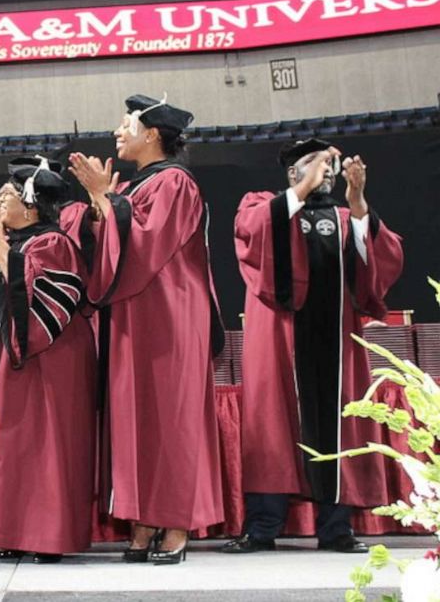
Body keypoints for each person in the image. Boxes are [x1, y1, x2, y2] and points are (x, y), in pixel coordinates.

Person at [222, 138, 404, 554]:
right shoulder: (264, 205)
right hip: (280, 342)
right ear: (292, 173)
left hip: (335, 344)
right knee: (273, 427)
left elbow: (381, 259)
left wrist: (358, 202)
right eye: (314, 164)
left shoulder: (345, 218)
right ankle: (262, 527)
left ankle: (336, 528)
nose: (326, 171)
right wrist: (301, 190)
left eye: (329, 165)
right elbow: (250, 234)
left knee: (337, 423)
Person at [68, 94, 225, 565]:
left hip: (170, 318)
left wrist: (103, 198)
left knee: (168, 418)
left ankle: (176, 523)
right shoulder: (138, 187)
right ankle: (143, 521)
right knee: (135, 418)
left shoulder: (175, 182)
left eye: (127, 124)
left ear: (153, 134)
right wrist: (100, 206)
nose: (119, 131)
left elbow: (147, 244)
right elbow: (109, 244)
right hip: (134, 318)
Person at [0, 157, 96, 564]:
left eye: (8, 196)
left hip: (47, 366)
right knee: (9, 449)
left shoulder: (53, 242)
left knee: (43, 448)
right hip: (5, 363)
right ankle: (11, 532)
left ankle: (48, 537)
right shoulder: (12, 245)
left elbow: (43, 303)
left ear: (31, 205)